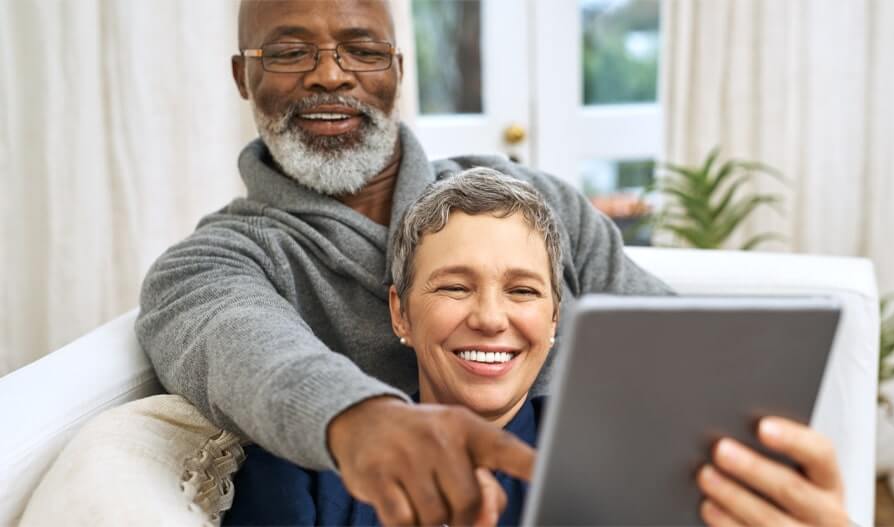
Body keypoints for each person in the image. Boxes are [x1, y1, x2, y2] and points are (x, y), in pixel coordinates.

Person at [136, 0, 846, 525]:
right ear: (242, 75)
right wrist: (364, 420)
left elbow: (669, 354)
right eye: (290, 51)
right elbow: (246, 346)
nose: (330, 75)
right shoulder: (213, 263)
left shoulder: (539, 203)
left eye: (363, 49)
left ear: (397, 70)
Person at [223, 169, 846, 526]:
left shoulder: (642, 456)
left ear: (555, 320)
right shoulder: (302, 470)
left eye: (522, 291)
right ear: (400, 313)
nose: (492, 318)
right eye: (455, 286)